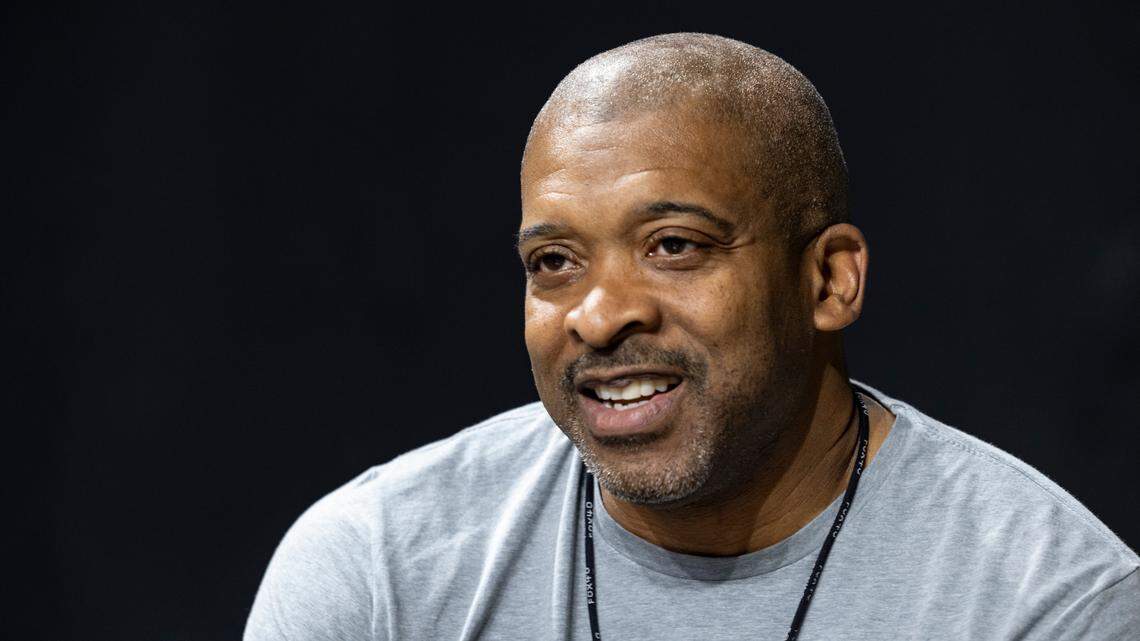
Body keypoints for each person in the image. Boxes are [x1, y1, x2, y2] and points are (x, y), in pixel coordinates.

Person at [244, 33, 1139, 640]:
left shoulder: (1046, 603)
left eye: (674, 246)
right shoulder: (379, 576)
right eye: (555, 261)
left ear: (829, 279)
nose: (599, 314)